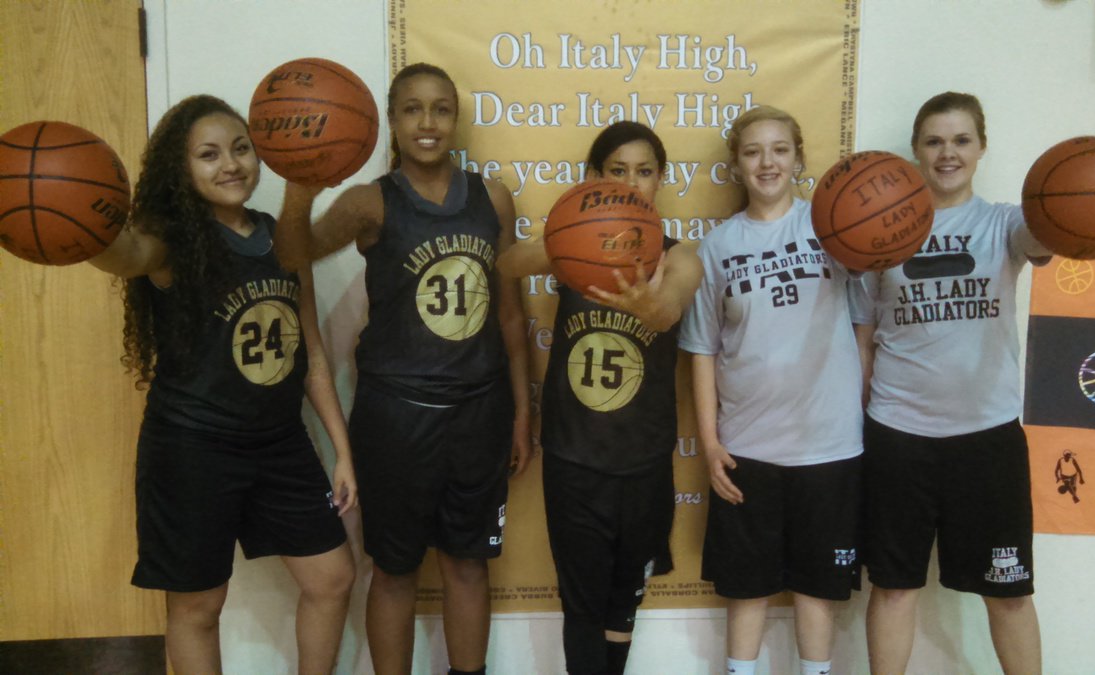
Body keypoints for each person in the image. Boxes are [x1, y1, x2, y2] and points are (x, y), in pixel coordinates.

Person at [87, 94, 357, 674]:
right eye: (208, 155)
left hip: (280, 443)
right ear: (180, 169)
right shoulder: (170, 240)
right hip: (192, 445)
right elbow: (126, 253)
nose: (230, 164)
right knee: (199, 605)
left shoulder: (282, 238)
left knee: (333, 578)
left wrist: (341, 449)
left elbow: (310, 349)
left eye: (240, 149)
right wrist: (83, 222)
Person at [275, 63, 531, 675]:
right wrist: (300, 188)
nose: (427, 122)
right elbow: (293, 252)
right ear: (390, 120)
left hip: (480, 410)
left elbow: (512, 319)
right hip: (396, 417)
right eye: (412, 109)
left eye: (441, 108)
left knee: (469, 564)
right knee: (394, 570)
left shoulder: (492, 197)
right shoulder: (369, 203)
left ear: (456, 118)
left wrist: (523, 412)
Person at [853, 91, 1052, 675]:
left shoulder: (1005, 224)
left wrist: (1082, 209)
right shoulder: (876, 236)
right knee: (892, 589)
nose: (948, 153)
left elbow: (1049, 237)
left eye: (961, 140)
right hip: (898, 435)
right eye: (934, 141)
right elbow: (865, 338)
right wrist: (860, 423)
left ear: (982, 148)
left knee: (1010, 593)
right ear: (915, 150)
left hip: (987, 438)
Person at [497, 121, 703, 675]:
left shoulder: (681, 257)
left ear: (662, 179)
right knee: (582, 603)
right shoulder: (574, 248)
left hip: (644, 461)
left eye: (644, 172)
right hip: (574, 458)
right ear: (595, 179)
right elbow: (508, 264)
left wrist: (645, 299)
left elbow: (669, 308)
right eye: (618, 172)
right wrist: (572, 237)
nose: (633, 185)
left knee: (623, 602)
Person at [678, 106, 867, 675]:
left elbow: (863, 329)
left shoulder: (834, 231)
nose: (767, 162)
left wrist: (850, 407)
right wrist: (711, 445)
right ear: (737, 164)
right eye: (754, 151)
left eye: (779, 150)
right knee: (748, 591)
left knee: (816, 591)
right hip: (748, 450)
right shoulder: (717, 246)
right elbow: (703, 351)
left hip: (829, 449)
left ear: (798, 159)